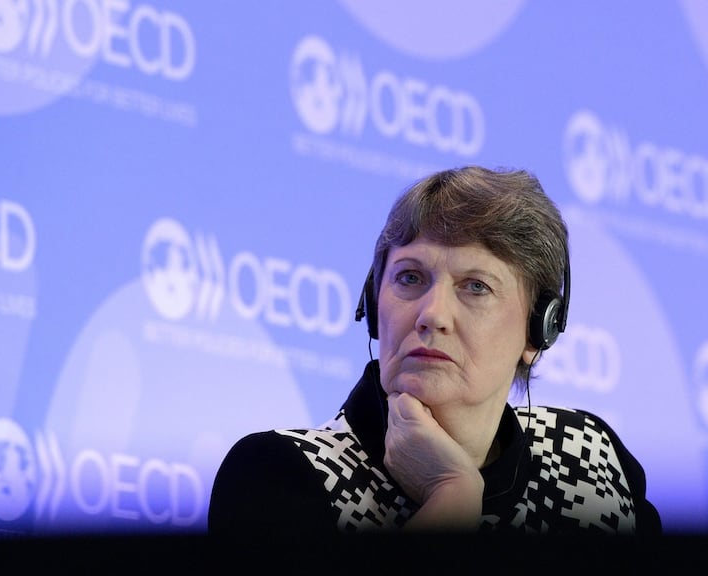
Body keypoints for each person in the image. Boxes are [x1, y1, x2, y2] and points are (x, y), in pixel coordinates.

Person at [208, 165, 661, 539]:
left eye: (476, 287)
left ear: (536, 332)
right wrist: (453, 497)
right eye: (410, 278)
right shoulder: (282, 476)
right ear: (372, 302)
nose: (432, 314)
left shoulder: (590, 459)